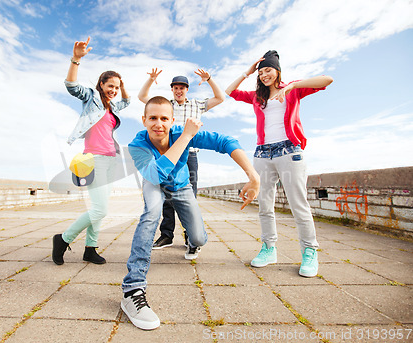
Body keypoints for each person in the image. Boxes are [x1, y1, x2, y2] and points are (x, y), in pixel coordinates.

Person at [120, 96, 260, 330]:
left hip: (182, 186)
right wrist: (186, 136)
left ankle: (193, 241)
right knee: (151, 212)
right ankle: (133, 288)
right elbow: (155, 175)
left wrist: (253, 176)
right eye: (152, 118)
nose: (158, 124)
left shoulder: (178, 132)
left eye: (164, 118)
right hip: (154, 182)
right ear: (143, 120)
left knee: (198, 238)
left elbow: (225, 141)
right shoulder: (138, 144)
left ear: (172, 120)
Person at [225, 50, 333, 277]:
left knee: (298, 204)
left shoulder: (292, 88)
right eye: (261, 71)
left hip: (290, 151)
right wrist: (247, 71)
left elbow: (327, 80)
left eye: (268, 70)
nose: (264, 75)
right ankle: (269, 248)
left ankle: (309, 251)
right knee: (265, 204)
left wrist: (292, 87)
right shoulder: (257, 96)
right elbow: (230, 92)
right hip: (263, 154)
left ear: (277, 71)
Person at [52, 37, 130, 265]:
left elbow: (127, 101)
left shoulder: (113, 106)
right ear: (101, 85)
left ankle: (90, 248)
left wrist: (122, 84)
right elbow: (71, 86)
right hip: (93, 160)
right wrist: (76, 59)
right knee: (100, 210)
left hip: (111, 160)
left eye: (116, 87)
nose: (114, 90)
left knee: (100, 209)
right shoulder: (92, 98)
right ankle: (63, 239)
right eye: (110, 86)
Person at [138, 68, 226, 252]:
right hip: (168, 154)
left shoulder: (197, 104)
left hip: (190, 154)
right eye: (176, 88)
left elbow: (220, 98)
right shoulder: (166, 105)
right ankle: (167, 235)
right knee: (167, 195)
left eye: (182, 88)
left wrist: (209, 79)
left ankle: (191, 237)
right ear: (172, 90)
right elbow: (142, 97)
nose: (179, 91)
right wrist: (151, 80)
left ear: (187, 90)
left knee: (189, 195)